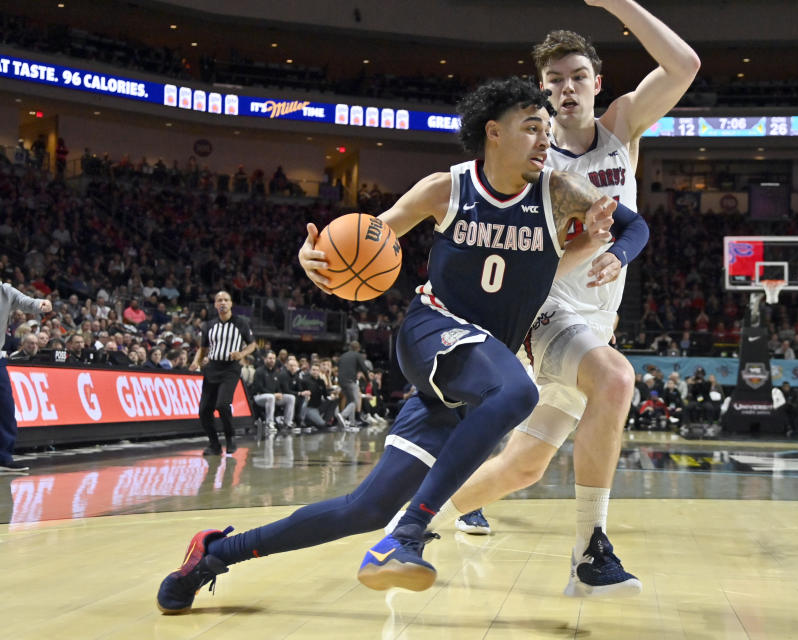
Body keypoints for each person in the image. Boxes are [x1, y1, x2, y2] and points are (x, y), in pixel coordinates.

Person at [156, 76, 623, 612]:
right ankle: (411, 535)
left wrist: (604, 234)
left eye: (547, 128)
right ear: (494, 133)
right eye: (532, 126)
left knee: (365, 508)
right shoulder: (447, 187)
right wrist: (315, 260)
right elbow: (370, 236)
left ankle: (214, 553)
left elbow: (629, 228)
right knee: (518, 393)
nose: (546, 138)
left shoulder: (556, 193)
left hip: (474, 368)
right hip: (432, 330)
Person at [444, 0, 696, 597]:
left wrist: (619, 5)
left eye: (579, 76)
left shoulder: (622, 127)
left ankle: (422, 510)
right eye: (554, 80)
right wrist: (587, 250)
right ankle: (590, 556)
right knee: (614, 379)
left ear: (597, 84)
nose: (567, 87)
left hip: (594, 321)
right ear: (542, 92)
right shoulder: (531, 157)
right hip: (542, 312)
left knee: (524, 467)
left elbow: (683, 65)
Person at [190, 291, 256, 456]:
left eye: (226, 300)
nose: (223, 303)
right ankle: (214, 445)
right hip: (212, 367)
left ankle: (230, 438)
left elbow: (252, 345)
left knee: (222, 405)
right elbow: (203, 349)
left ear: (231, 303)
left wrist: (241, 354)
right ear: (215, 304)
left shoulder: (241, 323)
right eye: (219, 300)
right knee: (204, 411)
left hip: (230, 369)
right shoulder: (209, 325)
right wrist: (196, 361)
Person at [0, 284, 51, 471]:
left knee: (5, 407)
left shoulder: (5, 291)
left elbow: (26, 302)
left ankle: (3, 458)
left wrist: (41, 304)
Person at [337, 341, 369, 427]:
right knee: (354, 401)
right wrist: (368, 380)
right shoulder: (357, 355)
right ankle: (343, 415)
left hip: (341, 381)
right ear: (358, 348)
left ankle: (352, 422)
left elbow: (339, 366)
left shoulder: (343, 355)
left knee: (350, 400)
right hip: (350, 381)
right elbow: (364, 368)